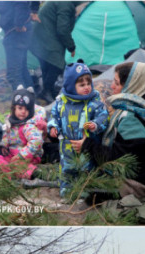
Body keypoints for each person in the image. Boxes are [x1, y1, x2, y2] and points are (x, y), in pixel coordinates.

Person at [73, 61, 145, 199]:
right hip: (139, 176)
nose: (112, 86)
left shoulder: (132, 119)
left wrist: (87, 145)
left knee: (87, 193)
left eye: (117, 83)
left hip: (137, 183)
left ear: (131, 85)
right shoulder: (140, 108)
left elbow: (120, 161)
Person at [48, 60, 108, 198]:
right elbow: (54, 116)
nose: (87, 87)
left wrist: (96, 124)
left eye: (88, 83)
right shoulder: (61, 102)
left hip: (86, 146)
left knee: (86, 170)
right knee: (66, 170)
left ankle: (84, 194)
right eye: (82, 84)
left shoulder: (94, 102)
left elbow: (103, 116)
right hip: (67, 146)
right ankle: (66, 193)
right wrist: (53, 127)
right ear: (70, 86)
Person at [0, 85, 46, 179]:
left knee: (16, 165)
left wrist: (22, 155)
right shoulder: (10, 122)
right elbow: (7, 134)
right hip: (12, 154)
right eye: (20, 108)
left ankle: (34, 173)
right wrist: (4, 145)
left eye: (27, 109)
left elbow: (37, 141)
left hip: (28, 156)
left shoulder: (29, 125)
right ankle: (9, 172)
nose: (23, 112)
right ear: (14, 108)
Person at [29, 1, 78, 102]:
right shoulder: (65, 4)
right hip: (45, 38)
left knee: (47, 64)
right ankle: (46, 91)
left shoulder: (66, 4)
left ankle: (49, 90)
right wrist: (71, 47)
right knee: (55, 64)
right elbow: (63, 29)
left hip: (41, 37)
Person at [0, 1, 40, 90]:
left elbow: (21, 4)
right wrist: (34, 11)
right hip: (17, 29)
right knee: (21, 68)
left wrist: (19, 24)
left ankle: (21, 100)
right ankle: (30, 96)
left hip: (16, 30)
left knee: (14, 74)